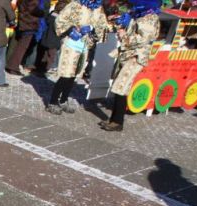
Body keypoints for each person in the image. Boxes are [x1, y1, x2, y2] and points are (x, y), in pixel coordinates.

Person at [100, 0, 160, 132]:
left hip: (135, 57)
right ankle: (114, 119)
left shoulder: (150, 18)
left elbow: (143, 39)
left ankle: (117, 122)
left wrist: (125, 36)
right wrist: (121, 24)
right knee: (119, 86)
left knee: (121, 87)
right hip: (128, 54)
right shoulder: (140, 14)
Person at [46, 0, 108, 115]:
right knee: (66, 74)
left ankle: (63, 100)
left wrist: (92, 28)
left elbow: (102, 27)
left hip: (84, 47)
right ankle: (53, 102)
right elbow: (60, 20)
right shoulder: (76, 4)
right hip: (71, 44)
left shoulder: (98, 9)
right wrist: (71, 30)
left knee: (73, 76)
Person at [5, 0, 45, 75]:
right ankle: (13, 67)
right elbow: (32, 8)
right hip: (29, 23)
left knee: (19, 45)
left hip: (24, 20)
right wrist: (42, 13)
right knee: (22, 46)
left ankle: (11, 65)